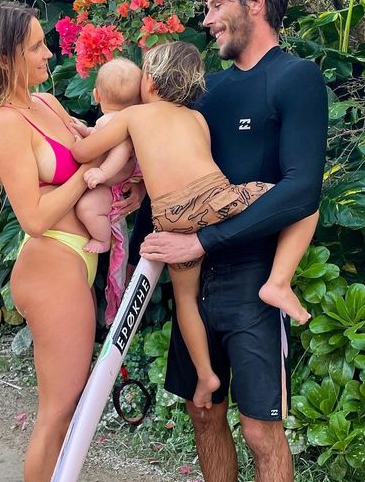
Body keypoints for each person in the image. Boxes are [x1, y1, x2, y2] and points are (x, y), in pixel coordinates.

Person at [138, 0, 329, 482]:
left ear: (253, 3)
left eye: (216, 5)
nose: (207, 18)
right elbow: (175, 170)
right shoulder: (207, 92)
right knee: (202, 411)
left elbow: (301, 188)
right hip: (196, 279)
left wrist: (205, 242)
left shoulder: (296, 79)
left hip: (251, 278)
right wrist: (139, 205)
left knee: (259, 431)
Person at [71, 42, 318, 408]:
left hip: (172, 219)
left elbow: (84, 154)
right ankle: (278, 282)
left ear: (150, 83)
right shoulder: (198, 118)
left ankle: (206, 375)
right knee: (302, 200)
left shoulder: (134, 117)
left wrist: (80, 134)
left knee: (186, 298)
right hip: (215, 200)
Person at [0, 0, 107, 482]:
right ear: (5, 58)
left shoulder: (45, 104)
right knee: (55, 412)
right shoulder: (4, 123)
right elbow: (34, 214)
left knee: (70, 408)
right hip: (51, 270)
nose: (49, 53)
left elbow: (94, 143)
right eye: (36, 47)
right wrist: (86, 181)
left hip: (76, 264)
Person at [74, 58, 140, 254]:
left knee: (87, 208)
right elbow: (100, 138)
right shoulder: (112, 121)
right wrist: (85, 131)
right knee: (87, 207)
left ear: (96, 95)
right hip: (114, 183)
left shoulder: (116, 122)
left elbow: (121, 151)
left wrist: (102, 172)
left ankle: (102, 240)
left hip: (110, 183)